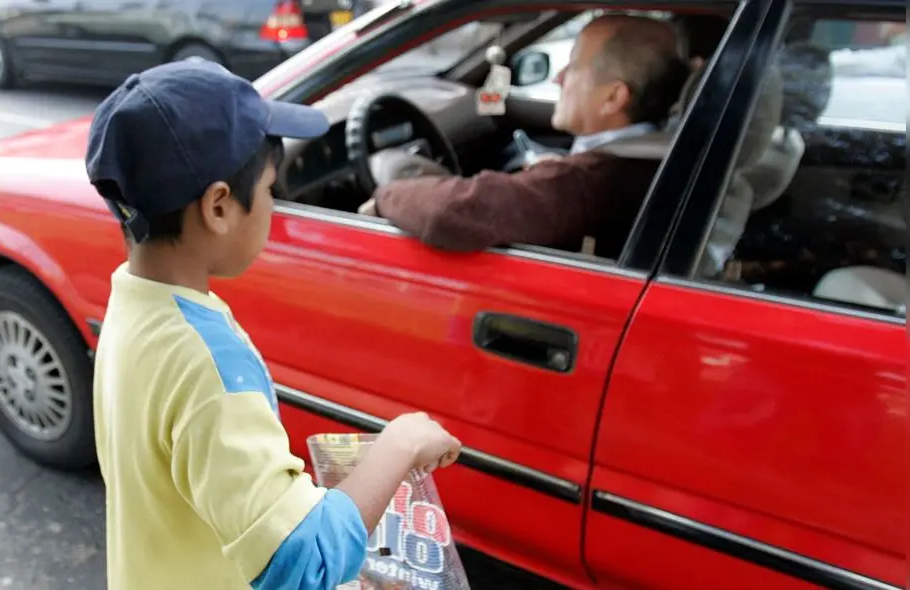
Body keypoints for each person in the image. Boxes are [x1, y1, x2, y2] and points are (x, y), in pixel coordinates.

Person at [85, 59, 462, 590]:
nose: (272, 205)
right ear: (219, 206)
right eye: (268, 188)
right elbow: (300, 562)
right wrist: (398, 446)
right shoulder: (208, 363)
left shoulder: (134, 301)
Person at [359, 14, 690, 258]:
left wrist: (387, 193)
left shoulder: (582, 183)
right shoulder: (663, 155)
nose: (558, 77)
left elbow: (452, 213)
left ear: (613, 98)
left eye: (573, 67)